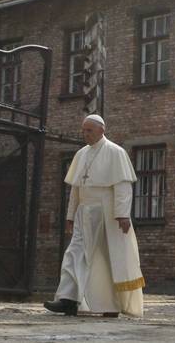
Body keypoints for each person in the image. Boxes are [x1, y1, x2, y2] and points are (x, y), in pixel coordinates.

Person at [43, 114, 144, 318]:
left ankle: (110, 305)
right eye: (83, 130)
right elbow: (76, 188)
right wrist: (70, 216)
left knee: (105, 259)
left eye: (89, 130)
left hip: (106, 212)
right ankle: (68, 299)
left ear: (101, 130)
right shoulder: (81, 154)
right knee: (74, 253)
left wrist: (122, 214)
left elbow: (123, 186)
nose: (85, 134)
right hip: (84, 212)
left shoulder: (116, 152)